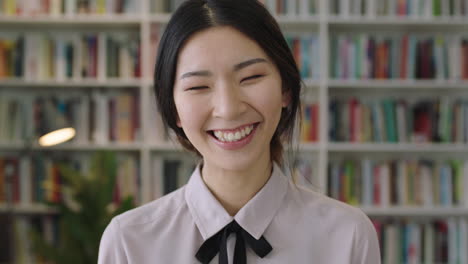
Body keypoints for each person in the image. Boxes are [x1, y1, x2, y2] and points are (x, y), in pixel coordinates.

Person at [98, 0, 381, 263]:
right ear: (173, 110)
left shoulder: (348, 236)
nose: (228, 109)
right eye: (198, 86)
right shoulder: (129, 242)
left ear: (285, 90)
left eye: (251, 77)